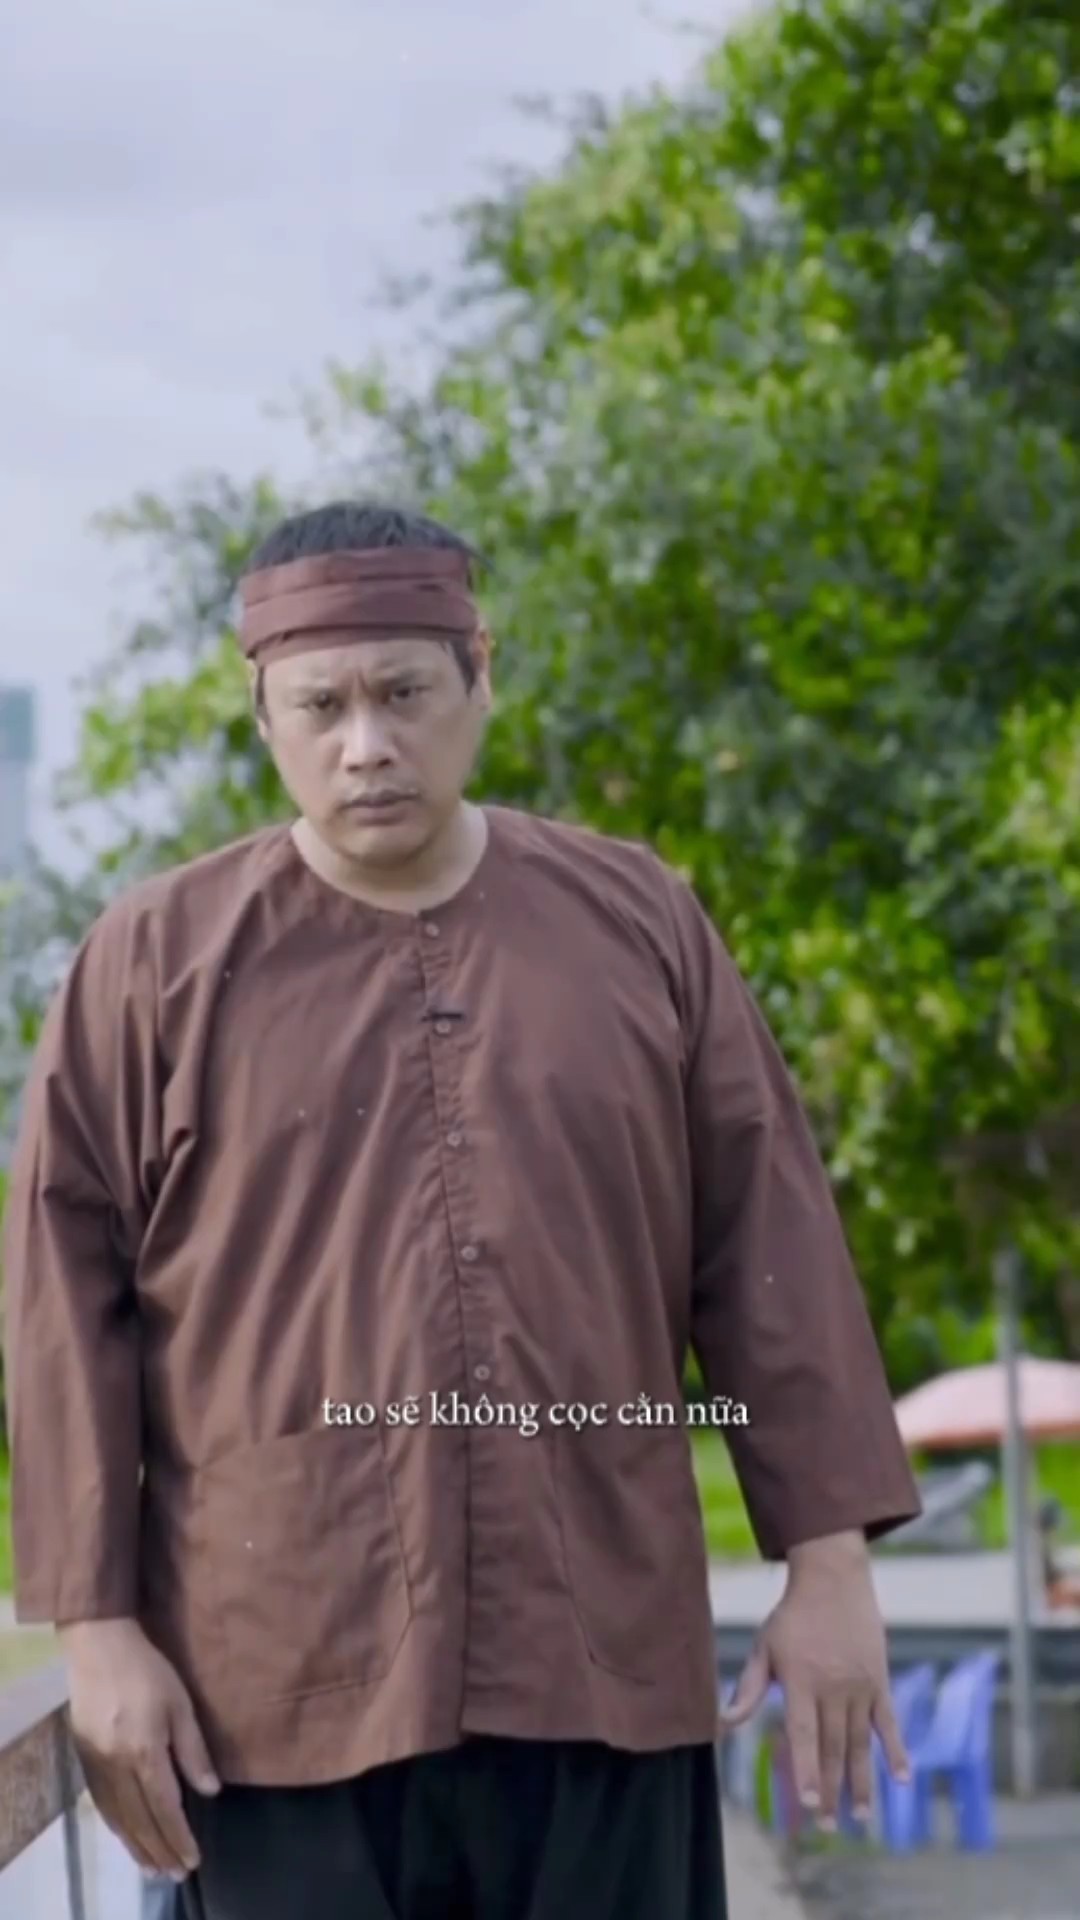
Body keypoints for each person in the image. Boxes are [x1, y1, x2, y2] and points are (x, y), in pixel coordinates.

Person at [2, 501, 921, 1920]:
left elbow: (768, 1249)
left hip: (601, 1654)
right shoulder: (151, 965)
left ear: (481, 672)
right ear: (263, 715)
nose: (367, 745)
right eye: (322, 706)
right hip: (273, 1682)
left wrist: (830, 1562)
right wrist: (98, 1626)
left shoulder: (639, 922)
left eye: (405, 693)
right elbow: (64, 1308)